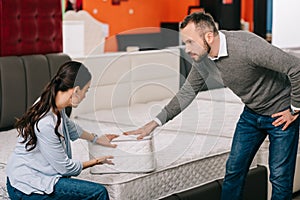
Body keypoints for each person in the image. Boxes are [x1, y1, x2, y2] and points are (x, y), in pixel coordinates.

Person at [124, 12, 300, 200]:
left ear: (208, 36)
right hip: (252, 113)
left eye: (190, 42)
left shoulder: (246, 46)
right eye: (185, 43)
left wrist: (295, 109)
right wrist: (153, 124)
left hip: (280, 114)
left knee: (280, 177)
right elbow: (186, 93)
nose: (187, 48)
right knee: (233, 170)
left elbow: (296, 67)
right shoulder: (202, 60)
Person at [6, 61, 118, 200]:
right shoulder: (46, 123)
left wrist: (96, 138)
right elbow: (65, 168)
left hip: (37, 176)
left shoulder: (53, 102)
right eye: (86, 90)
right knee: (99, 192)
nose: (85, 96)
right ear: (76, 90)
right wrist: (95, 161)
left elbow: (69, 127)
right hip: (27, 186)